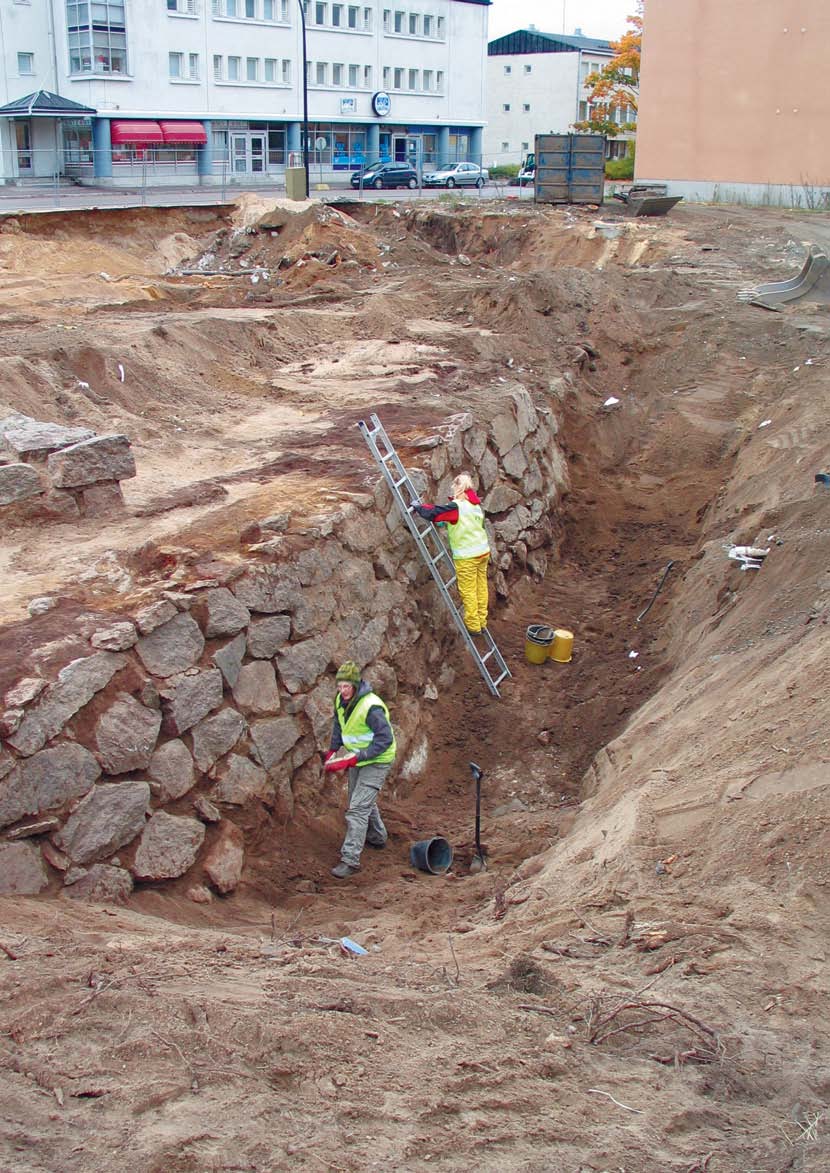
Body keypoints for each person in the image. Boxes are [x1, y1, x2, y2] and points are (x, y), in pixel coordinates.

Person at [324, 661, 396, 879]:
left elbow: (385, 739)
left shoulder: (371, 707)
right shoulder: (340, 700)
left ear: (355, 685)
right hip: (358, 759)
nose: (342, 691)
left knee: (357, 809)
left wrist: (356, 757)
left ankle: (350, 859)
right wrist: (333, 750)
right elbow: (339, 725)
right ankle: (377, 837)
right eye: (340, 686)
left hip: (378, 760)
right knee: (361, 801)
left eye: (346, 687)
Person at [413, 472, 491, 636]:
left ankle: (473, 626)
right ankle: (482, 622)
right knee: (481, 587)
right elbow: (464, 523)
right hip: (482, 552)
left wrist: (419, 507)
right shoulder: (475, 506)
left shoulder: (457, 506)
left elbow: (435, 512)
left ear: (458, 487)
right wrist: (445, 521)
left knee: (468, 590)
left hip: (467, 557)